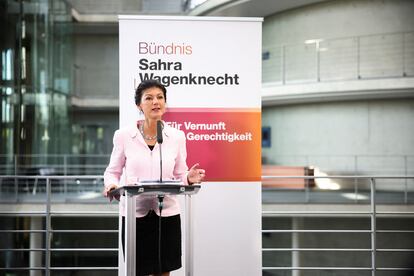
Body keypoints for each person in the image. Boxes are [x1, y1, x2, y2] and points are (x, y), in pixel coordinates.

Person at [103, 79, 205, 276]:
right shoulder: (124, 135)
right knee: (138, 271)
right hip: (135, 214)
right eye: (149, 98)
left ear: (165, 104)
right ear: (139, 105)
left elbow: (179, 174)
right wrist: (112, 184)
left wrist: (189, 178)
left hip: (166, 214)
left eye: (160, 97)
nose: (155, 102)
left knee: (163, 271)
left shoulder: (177, 136)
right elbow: (112, 171)